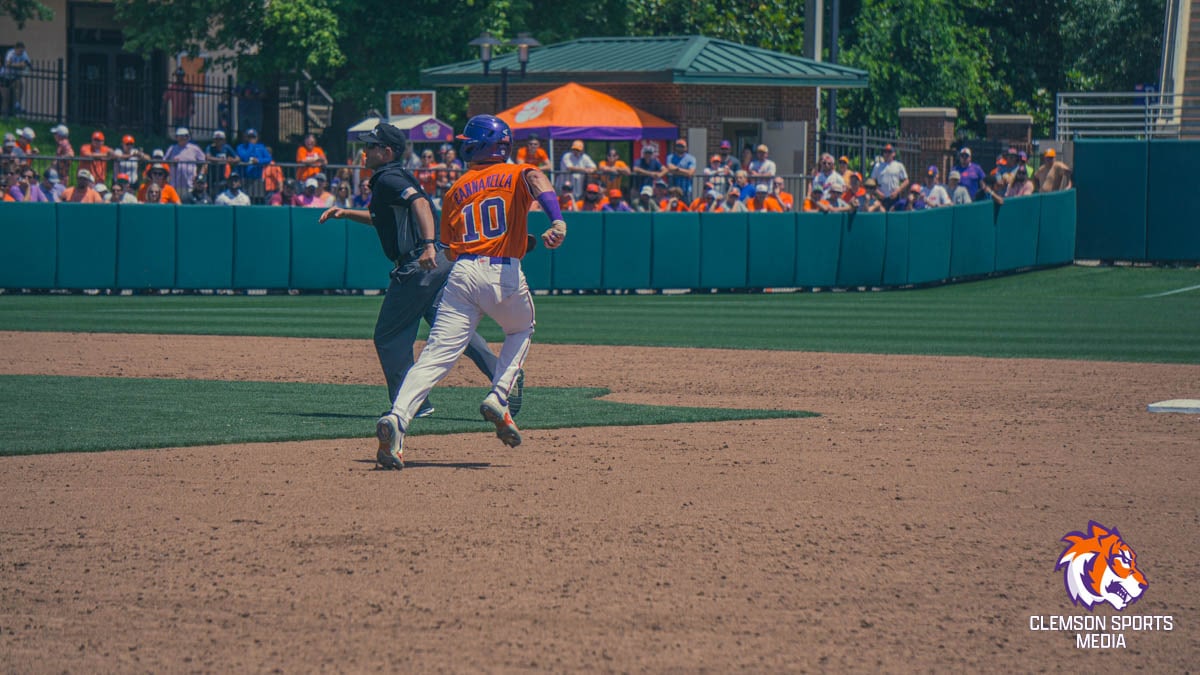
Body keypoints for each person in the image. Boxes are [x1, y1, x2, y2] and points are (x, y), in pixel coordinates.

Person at [373, 114, 565, 469]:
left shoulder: (457, 188)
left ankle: (398, 418)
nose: (463, 143)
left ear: (479, 144)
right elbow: (537, 178)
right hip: (503, 272)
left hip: (461, 274)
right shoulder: (515, 171)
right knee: (520, 329)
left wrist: (524, 241)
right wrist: (557, 219)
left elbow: (453, 248)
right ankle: (499, 395)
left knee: (434, 356)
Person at [164, 128, 205, 194]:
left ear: (188, 137)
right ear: (176, 137)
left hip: (190, 183)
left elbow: (204, 162)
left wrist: (200, 175)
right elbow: (164, 162)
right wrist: (171, 162)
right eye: (180, 136)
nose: (183, 138)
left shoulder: (194, 148)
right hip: (175, 183)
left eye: (185, 136)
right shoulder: (172, 148)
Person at [869, 143, 908, 207]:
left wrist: (897, 191)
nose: (887, 154)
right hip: (881, 198)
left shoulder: (899, 165)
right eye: (885, 152)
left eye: (889, 152)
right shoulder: (878, 166)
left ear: (894, 153)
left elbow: (906, 181)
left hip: (895, 198)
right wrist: (878, 192)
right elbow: (871, 182)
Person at [1, 42, 32, 116]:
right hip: (4, 77)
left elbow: (27, 64)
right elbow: (8, 64)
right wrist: (19, 65)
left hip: (14, 77)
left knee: (19, 84)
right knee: (6, 98)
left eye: (22, 51)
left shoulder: (24, 54)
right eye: (19, 51)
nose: (21, 53)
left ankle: (17, 104)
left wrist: (16, 65)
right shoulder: (10, 53)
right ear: (15, 49)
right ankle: (4, 116)